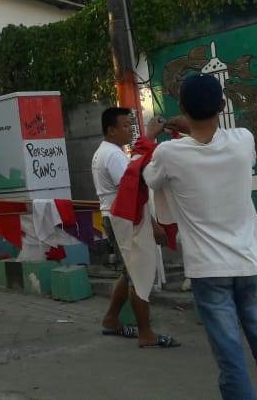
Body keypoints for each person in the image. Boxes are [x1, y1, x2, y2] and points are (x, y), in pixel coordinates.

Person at [144, 74, 257, 400]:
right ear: (223, 105)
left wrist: (154, 136)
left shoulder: (168, 153)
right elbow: (213, 142)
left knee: (231, 357)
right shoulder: (243, 140)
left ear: (182, 108)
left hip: (208, 269)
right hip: (250, 262)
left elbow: (149, 178)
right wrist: (192, 128)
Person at [92, 107, 176, 349]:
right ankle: (145, 332)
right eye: (126, 126)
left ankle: (111, 319)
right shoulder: (113, 156)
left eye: (131, 125)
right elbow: (132, 193)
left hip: (116, 218)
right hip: (125, 220)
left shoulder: (105, 152)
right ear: (111, 130)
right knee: (139, 275)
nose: (130, 130)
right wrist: (153, 225)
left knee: (129, 273)